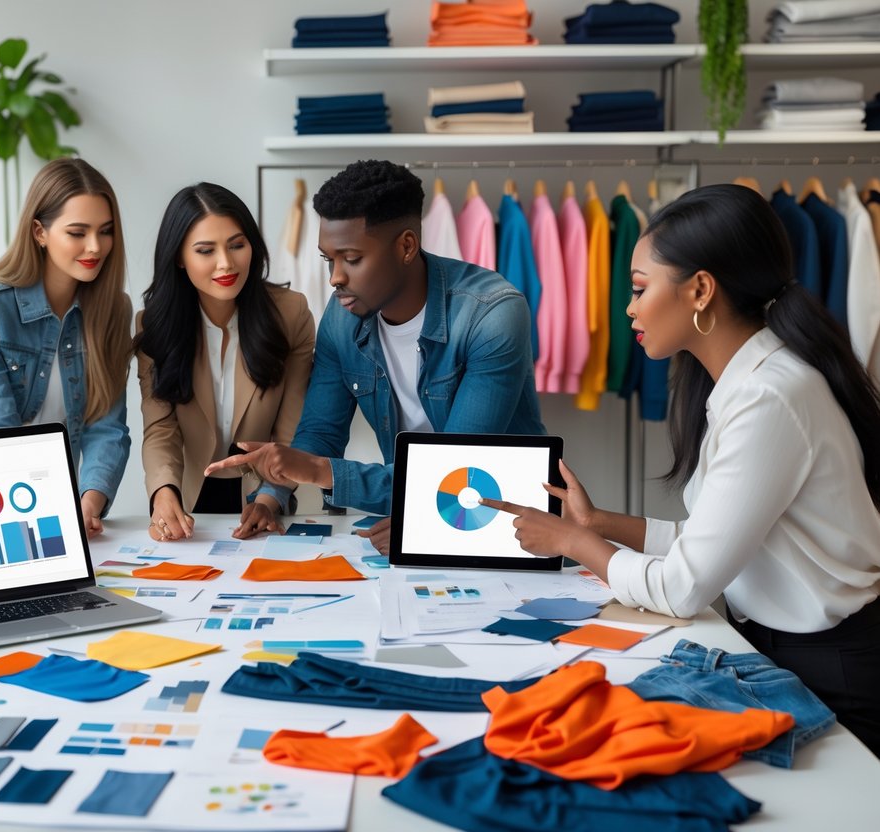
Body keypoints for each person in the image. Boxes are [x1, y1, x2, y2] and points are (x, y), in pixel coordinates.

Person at [485, 184, 880, 756]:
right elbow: (713, 548)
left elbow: (683, 587)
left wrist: (573, 542)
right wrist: (599, 524)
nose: (628, 308)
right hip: (786, 650)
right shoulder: (748, 383)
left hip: (833, 671)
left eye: (640, 289)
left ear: (700, 290)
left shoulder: (771, 396)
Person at [207, 159, 545, 553]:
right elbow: (321, 430)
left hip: (506, 526)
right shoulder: (342, 316)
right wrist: (271, 498)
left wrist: (321, 472)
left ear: (406, 246)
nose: (335, 277)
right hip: (410, 511)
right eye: (328, 260)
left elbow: (460, 471)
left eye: (351, 259)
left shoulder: (492, 313)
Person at [0, 158, 131, 538]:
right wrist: (45, 510)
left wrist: (88, 501)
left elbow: (107, 428)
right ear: (39, 232)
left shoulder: (113, 309)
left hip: (47, 500)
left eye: (105, 231)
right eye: (78, 232)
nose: (96, 246)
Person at [135, 183, 314, 542]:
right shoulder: (153, 325)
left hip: (273, 494)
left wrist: (269, 498)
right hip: (190, 497)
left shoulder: (290, 312)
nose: (226, 263)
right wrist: (163, 491)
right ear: (179, 257)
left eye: (237, 244)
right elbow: (160, 428)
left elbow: (293, 426)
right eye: (205, 250)